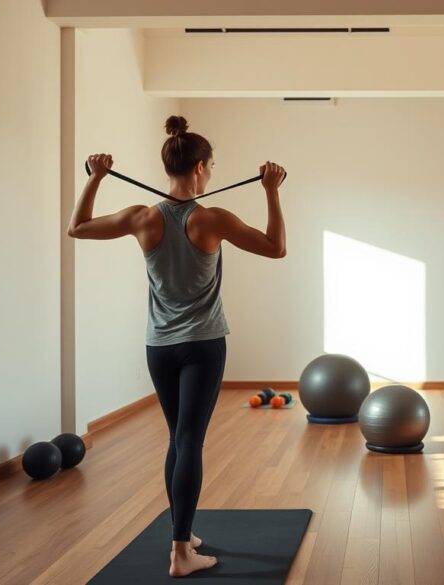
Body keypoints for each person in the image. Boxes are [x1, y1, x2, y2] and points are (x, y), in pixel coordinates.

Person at [66, 115, 287, 577]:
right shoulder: (210, 218)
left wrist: (97, 178)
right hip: (203, 345)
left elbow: (78, 227)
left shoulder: (142, 218)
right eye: (212, 165)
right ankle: (181, 551)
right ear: (202, 167)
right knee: (189, 441)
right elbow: (275, 247)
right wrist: (271, 189)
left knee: (177, 439)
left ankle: (181, 532)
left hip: (159, 347)